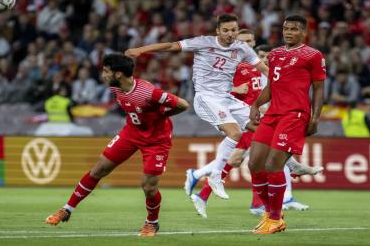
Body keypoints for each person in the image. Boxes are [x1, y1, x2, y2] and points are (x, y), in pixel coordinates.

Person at [126, 14, 269, 201]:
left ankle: (290, 165)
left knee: (265, 128)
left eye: (233, 30)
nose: (230, 34)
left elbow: (265, 70)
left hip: (227, 98)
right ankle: (215, 176)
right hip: (206, 98)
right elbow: (171, 46)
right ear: (218, 31)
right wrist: (141, 50)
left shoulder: (242, 48)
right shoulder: (203, 42)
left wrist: (285, 79)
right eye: (225, 30)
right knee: (235, 134)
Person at [45, 54, 189, 237]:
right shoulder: (116, 88)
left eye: (106, 71)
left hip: (156, 140)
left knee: (148, 187)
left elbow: (183, 105)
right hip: (131, 132)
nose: (103, 75)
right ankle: (66, 210)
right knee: (98, 170)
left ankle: (152, 223)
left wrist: (161, 115)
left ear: (119, 74)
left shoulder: (148, 92)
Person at [187, 35, 320, 218]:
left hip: (256, 118)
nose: (265, 59)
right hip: (242, 117)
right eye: (261, 55)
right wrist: (237, 91)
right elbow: (219, 89)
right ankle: (200, 182)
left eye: (267, 56)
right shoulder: (240, 67)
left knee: (252, 159)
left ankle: (206, 190)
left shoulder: (268, 72)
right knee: (245, 159)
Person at [248, 15, 326, 234]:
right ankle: (270, 213)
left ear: (303, 32)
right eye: (285, 28)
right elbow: (272, 85)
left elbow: (319, 89)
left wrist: (315, 118)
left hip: (295, 114)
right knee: (254, 165)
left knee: (273, 165)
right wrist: (256, 104)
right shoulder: (275, 54)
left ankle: (275, 219)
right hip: (273, 114)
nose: (288, 32)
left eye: (293, 29)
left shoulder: (313, 55)